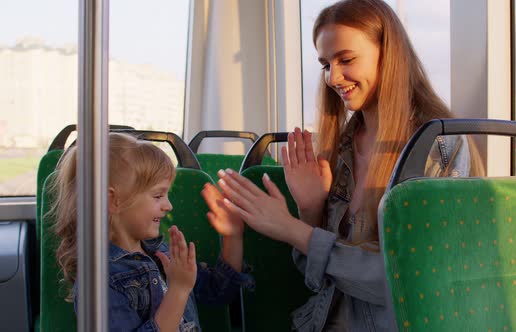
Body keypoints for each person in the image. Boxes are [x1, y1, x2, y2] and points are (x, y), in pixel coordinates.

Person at [216, 0, 484, 331]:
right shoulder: (340, 146)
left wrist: (290, 228)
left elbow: (412, 284)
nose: (333, 77)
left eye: (346, 59)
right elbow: (318, 278)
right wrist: (310, 209)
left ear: (390, 55)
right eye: (325, 64)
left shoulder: (439, 147)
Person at [48, 132, 253, 332]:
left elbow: (219, 292)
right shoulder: (99, 283)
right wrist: (178, 291)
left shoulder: (163, 254)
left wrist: (232, 236)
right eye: (158, 196)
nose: (168, 206)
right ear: (113, 200)